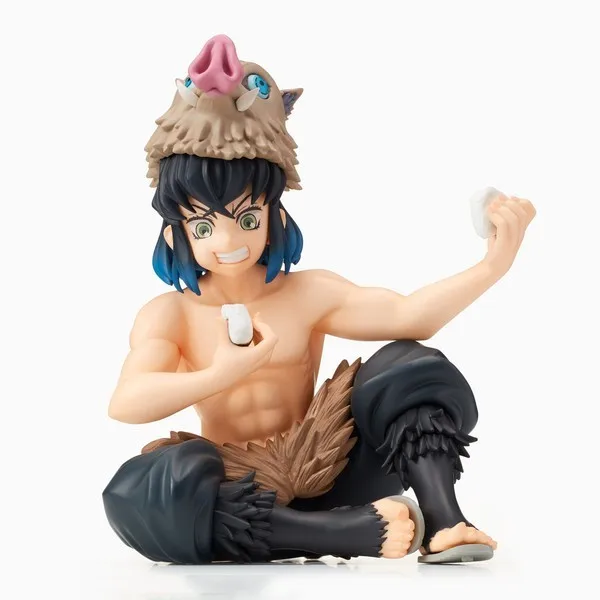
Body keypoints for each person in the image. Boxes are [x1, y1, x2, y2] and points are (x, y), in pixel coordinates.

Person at [103, 34, 536, 565]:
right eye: (204, 225)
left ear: (275, 215)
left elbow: (410, 316)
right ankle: (335, 534)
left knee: (409, 366)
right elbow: (126, 402)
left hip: (326, 463)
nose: (229, 242)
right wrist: (221, 373)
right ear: (177, 232)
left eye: (247, 218)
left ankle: (445, 521)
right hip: (239, 495)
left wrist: (493, 265)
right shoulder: (169, 314)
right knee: (138, 491)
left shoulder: (307, 293)